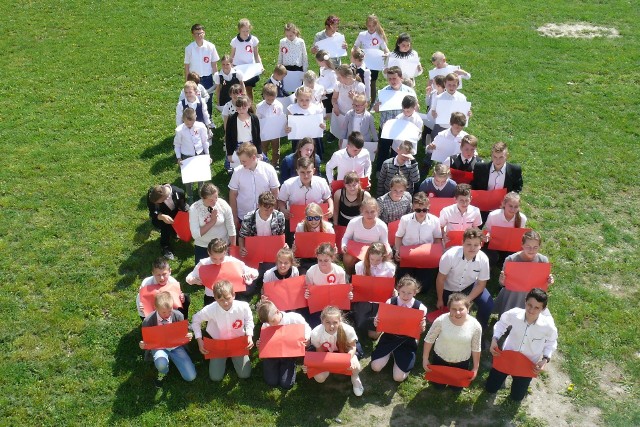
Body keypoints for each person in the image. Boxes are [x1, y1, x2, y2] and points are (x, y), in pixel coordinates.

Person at [485, 288, 558, 401]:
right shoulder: (514, 313)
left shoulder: (548, 326)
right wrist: (495, 338)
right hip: (507, 356)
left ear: (543, 309)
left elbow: (551, 341)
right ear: (525, 301)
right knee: (490, 388)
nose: (531, 310)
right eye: (529, 305)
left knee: (517, 397)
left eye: (537, 307)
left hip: (527, 362)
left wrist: (545, 359)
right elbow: (502, 323)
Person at [192, 281, 255, 381]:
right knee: (215, 377)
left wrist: (249, 335)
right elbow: (195, 320)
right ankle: (226, 359)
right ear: (215, 298)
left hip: (237, 342)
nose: (225, 303)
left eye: (228, 298)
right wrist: (199, 340)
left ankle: (232, 358)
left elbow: (249, 320)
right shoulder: (211, 309)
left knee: (245, 375)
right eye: (220, 300)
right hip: (219, 344)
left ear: (233, 295)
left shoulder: (243, 306)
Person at [371, 275, 427, 382]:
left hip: (407, 341)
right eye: (403, 292)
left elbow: (420, 330)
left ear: (415, 293)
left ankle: (400, 358)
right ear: (398, 290)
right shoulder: (390, 302)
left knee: (398, 378)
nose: (405, 296)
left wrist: (422, 327)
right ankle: (389, 353)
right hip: (390, 337)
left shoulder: (420, 308)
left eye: (409, 293)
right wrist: (376, 321)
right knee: (375, 367)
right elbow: (380, 320)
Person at [436, 228, 494, 329]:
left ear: (481, 245)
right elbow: (440, 279)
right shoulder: (449, 255)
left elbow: (481, 284)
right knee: (452, 312)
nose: (472, 248)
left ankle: (480, 329)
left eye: (476, 245)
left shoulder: (484, 259)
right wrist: (440, 299)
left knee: (488, 305)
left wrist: (467, 300)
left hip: (470, 286)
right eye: (468, 244)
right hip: (450, 288)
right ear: (462, 243)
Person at [423, 293, 481, 389]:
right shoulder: (441, 320)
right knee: (438, 386)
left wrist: (475, 368)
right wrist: (425, 358)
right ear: (449, 309)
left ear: (468, 309)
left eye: (461, 309)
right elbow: (429, 339)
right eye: (454, 309)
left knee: (456, 388)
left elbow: (476, 348)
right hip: (440, 357)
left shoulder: (475, 326)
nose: (457, 313)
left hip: (461, 360)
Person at [139, 291, 196, 384]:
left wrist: (188, 335)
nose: (167, 314)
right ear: (156, 308)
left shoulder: (178, 315)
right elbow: (147, 340)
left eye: (170, 310)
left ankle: (182, 363)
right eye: (164, 312)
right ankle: (164, 369)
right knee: (161, 363)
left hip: (176, 347)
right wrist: (143, 344)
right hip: (159, 348)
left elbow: (184, 330)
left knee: (191, 377)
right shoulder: (148, 321)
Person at [306, 306, 364, 396]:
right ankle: (331, 369)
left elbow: (352, 347)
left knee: (356, 366)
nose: (331, 326)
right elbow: (320, 352)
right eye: (327, 322)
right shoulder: (316, 333)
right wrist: (320, 364)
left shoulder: (348, 330)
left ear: (340, 321)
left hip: (345, 351)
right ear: (322, 321)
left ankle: (355, 376)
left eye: (335, 322)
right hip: (326, 354)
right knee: (319, 378)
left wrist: (348, 359)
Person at [494, 231, 554, 316]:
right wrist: (502, 281)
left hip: (533, 297)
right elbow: (504, 284)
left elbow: (543, 286)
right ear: (522, 245)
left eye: (535, 247)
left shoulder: (543, 260)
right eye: (528, 246)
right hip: (514, 296)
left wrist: (549, 281)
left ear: (539, 247)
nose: (531, 250)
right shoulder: (511, 260)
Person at [186, 238, 259, 306]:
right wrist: (193, 280)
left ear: (225, 252)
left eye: (221, 258)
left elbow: (255, 272)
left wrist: (248, 274)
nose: (218, 262)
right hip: (212, 298)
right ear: (209, 253)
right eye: (214, 258)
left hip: (230, 298)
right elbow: (189, 278)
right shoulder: (203, 263)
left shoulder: (232, 261)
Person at [394, 192, 443, 293]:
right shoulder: (405, 219)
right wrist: (398, 250)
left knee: (423, 289)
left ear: (428, 208)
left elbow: (438, 238)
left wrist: (437, 254)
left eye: (425, 210)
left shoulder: (435, 220)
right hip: (408, 255)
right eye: (418, 210)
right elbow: (398, 236)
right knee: (402, 284)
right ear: (413, 208)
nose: (421, 213)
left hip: (425, 256)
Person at [257, 300, 311, 389]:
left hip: (288, 355)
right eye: (268, 322)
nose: (271, 324)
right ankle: (271, 365)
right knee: (271, 381)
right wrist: (260, 343)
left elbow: (307, 327)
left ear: (277, 311)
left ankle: (288, 366)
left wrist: (307, 337)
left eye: (273, 321)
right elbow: (264, 339)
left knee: (286, 384)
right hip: (272, 356)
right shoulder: (266, 325)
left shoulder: (294, 318)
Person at [373, 66, 416, 172]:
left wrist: (415, 106)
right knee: (383, 150)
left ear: (401, 78)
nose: (392, 81)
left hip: (401, 128)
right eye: (390, 79)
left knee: (398, 151)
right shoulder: (384, 91)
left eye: (394, 78)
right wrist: (377, 106)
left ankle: (397, 170)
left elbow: (415, 108)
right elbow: (376, 109)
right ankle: (380, 170)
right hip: (386, 127)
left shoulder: (409, 92)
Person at [228, 143, 279, 230]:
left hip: (265, 216)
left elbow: (275, 192)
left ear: (253, 157)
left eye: (244, 161)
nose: (241, 163)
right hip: (243, 216)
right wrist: (234, 216)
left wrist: (273, 213)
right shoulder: (237, 172)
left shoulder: (268, 170)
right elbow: (233, 194)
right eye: (240, 161)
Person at [238, 191, 286, 279]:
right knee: (247, 291)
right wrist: (242, 247)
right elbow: (242, 236)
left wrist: (283, 245)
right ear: (259, 206)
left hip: (271, 256)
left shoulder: (279, 217)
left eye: (271, 209)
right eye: (266, 209)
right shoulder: (249, 218)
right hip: (254, 256)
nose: (269, 212)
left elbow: (281, 235)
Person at [352, 242, 396, 337]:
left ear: (383, 257)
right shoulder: (360, 266)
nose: (374, 262)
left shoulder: (389, 268)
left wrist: (393, 291)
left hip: (380, 301)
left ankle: (383, 323)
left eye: (378, 260)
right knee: (360, 325)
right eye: (372, 259)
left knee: (373, 335)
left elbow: (389, 286)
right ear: (368, 256)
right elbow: (358, 285)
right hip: (365, 299)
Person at [188, 183, 236, 265]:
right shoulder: (194, 208)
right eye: (211, 200)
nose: (214, 202)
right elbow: (195, 234)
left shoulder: (223, 204)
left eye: (216, 198)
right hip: (203, 246)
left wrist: (233, 249)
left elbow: (231, 227)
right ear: (203, 198)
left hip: (222, 246)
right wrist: (212, 221)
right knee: (204, 274)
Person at [341, 197, 391, 274]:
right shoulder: (354, 222)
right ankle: (349, 275)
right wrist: (343, 245)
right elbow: (346, 237)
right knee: (348, 257)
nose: (369, 214)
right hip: (357, 250)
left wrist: (388, 250)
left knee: (387, 257)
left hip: (374, 250)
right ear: (362, 211)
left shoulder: (382, 225)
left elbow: (385, 242)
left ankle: (378, 276)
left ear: (377, 211)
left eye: (372, 212)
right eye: (366, 212)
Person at [278, 156, 333, 223]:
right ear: (297, 171)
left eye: (308, 172)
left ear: (314, 171)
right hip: (295, 219)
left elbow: (328, 198)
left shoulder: (321, 182)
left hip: (316, 220)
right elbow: (281, 200)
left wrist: (331, 208)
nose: (306, 176)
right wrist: (283, 209)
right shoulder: (288, 184)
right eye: (302, 172)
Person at [304, 243, 348, 327]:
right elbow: (308, 291)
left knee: (335, 325)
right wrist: (307, 294)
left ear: (332, 258)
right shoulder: (311, 271)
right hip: (318, 306)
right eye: (320, 260)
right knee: (317, 326)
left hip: (334, 305)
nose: (322, 263)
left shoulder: (339, 271)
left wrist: (347, 294)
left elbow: (342, 291)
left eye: (326, 260)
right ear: (317, 258)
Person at [174, 107, 210, 202]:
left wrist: (207, 155)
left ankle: (201, 193)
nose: (189, 125)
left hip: (199, 154)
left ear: (195, 118)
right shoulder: (179, 130)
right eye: (187, 123)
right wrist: (179, 157)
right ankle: (190, 196)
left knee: (201, 176)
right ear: (183, 119)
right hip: (187, 156)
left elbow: (204, 141)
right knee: (188, 178)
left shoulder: (201, 126)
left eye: (191, 123)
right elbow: (177, 145)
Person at [483, 191, 528, 267]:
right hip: (494, 245)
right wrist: (487, 236)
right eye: (510, 206)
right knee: (492, 257)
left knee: (514, 259)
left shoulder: (522, 218)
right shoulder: (494, 215)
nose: (513, 209)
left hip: (510, 247)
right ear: (504, 204)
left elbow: (519, 237)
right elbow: (488, 230)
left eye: (516, 207)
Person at [353, 14, 389, 104]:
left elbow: (385, 49)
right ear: (366, 25)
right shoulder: (362, 35)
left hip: (374, 64)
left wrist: (387, 54)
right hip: (363, 63)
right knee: (361, 81)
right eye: (369, 25)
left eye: (373, 25)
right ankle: (361, 101)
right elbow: (355, 46)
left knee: (372, 83)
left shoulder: (379, 36)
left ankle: (372, 103)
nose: (371, 27)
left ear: (376, 25)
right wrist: (356, 52)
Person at [146, 183, 188, 260]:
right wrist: (161, 216)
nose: (157, 204)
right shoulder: (152, 194)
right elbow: (152, 211)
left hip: (176, 212)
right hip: (161, 216)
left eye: (159, 202)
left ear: (165, 198)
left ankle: (177, 232)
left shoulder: (179, 192)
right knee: (165, 226)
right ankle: (165, 246)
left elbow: (183, 205)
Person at [184, 23, 219, 114]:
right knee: (194, 99)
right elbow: (187, 66)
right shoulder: (189, 48)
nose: (199, 35)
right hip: (194, 79)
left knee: (208, 99)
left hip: (207, 78)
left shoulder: (211, 47)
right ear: (193, 35)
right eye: (197, 34)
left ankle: (209, 120)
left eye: (201, 33)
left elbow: (214, 64)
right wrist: (187, 81)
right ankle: (196, 119)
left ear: (204, 33)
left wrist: (216, 78)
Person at [286, 86, 326, 158]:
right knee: (299, 155)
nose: (304, 102)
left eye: (307, 100)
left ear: (311, 98)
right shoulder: (292, 109)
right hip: (298, 137)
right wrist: (287, 127)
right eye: (301, 100)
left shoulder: (315, 109)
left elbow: (321, 122)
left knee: (313, 154)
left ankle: (314, 164)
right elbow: (288, 122)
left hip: (313, 137)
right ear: (296, 98)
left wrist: (323, 126)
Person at [330, 65, 366, 145]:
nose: (337, 79)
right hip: (340, 113)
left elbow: (363, 104)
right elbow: (334, 98)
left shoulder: (359, 86)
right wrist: (335, 106)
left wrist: (354, 98)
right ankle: (339, 140)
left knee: (351, 134)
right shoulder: (338, 85)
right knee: (340, 131)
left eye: (339, 77)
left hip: (353, 115)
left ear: (347, 76)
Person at [224, 95, 263, 167]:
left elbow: (257, 136)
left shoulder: (254, 118)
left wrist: (259, 151)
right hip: (237, 148)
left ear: (249, 105)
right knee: (239, 167)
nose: (241, 110)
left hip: (251, 147)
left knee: (252, 166)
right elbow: (228, 138)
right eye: (238, 107)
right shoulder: (232, 119)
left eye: (244, 107)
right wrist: (229, 154)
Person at [430, 73, 470, 140]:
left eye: (454, 85)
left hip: (456, 128)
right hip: (441, 127)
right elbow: (433, 110)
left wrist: (468, 113)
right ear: (445, 84)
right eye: (449, 85)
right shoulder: (439, 98)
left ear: (458, 85)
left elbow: (465, 113)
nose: (451, 87)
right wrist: (434, 113)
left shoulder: (462, 98)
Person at [230, 18, 262, 100]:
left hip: (249, 68)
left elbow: (256, 54)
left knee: (249, 89)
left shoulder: (253, 40)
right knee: (238, 89)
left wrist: (260, 65)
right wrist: (231, 66)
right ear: (239, 30)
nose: (245, 33)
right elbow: (232, 55)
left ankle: (251, 107)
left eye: (247, 31)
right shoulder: (235, 41)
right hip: (238, 67)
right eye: (243, 31)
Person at [256, 83, 285, 168]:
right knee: (263, 148)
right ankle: (263, 163)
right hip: (264, 132)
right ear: (264, 96)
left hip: (275, 132)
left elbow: (281, 118)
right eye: (268, 99)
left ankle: (275, 164)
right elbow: (258, 119)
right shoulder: (260, 106)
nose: (270, 101)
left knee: (276, 148)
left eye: (272, 99)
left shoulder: (279, 105)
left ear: (276, 96)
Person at [314, 50, 338, 120]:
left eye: (317, 61)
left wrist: (326, 91)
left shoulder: (332, 72)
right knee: (322, 110)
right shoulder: (321, 69)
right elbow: (321, 79)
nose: (317, 63)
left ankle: (332, 127)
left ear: (323, 62)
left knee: (329, 112)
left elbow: (335, 85)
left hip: (328, 95)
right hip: (321, 94)